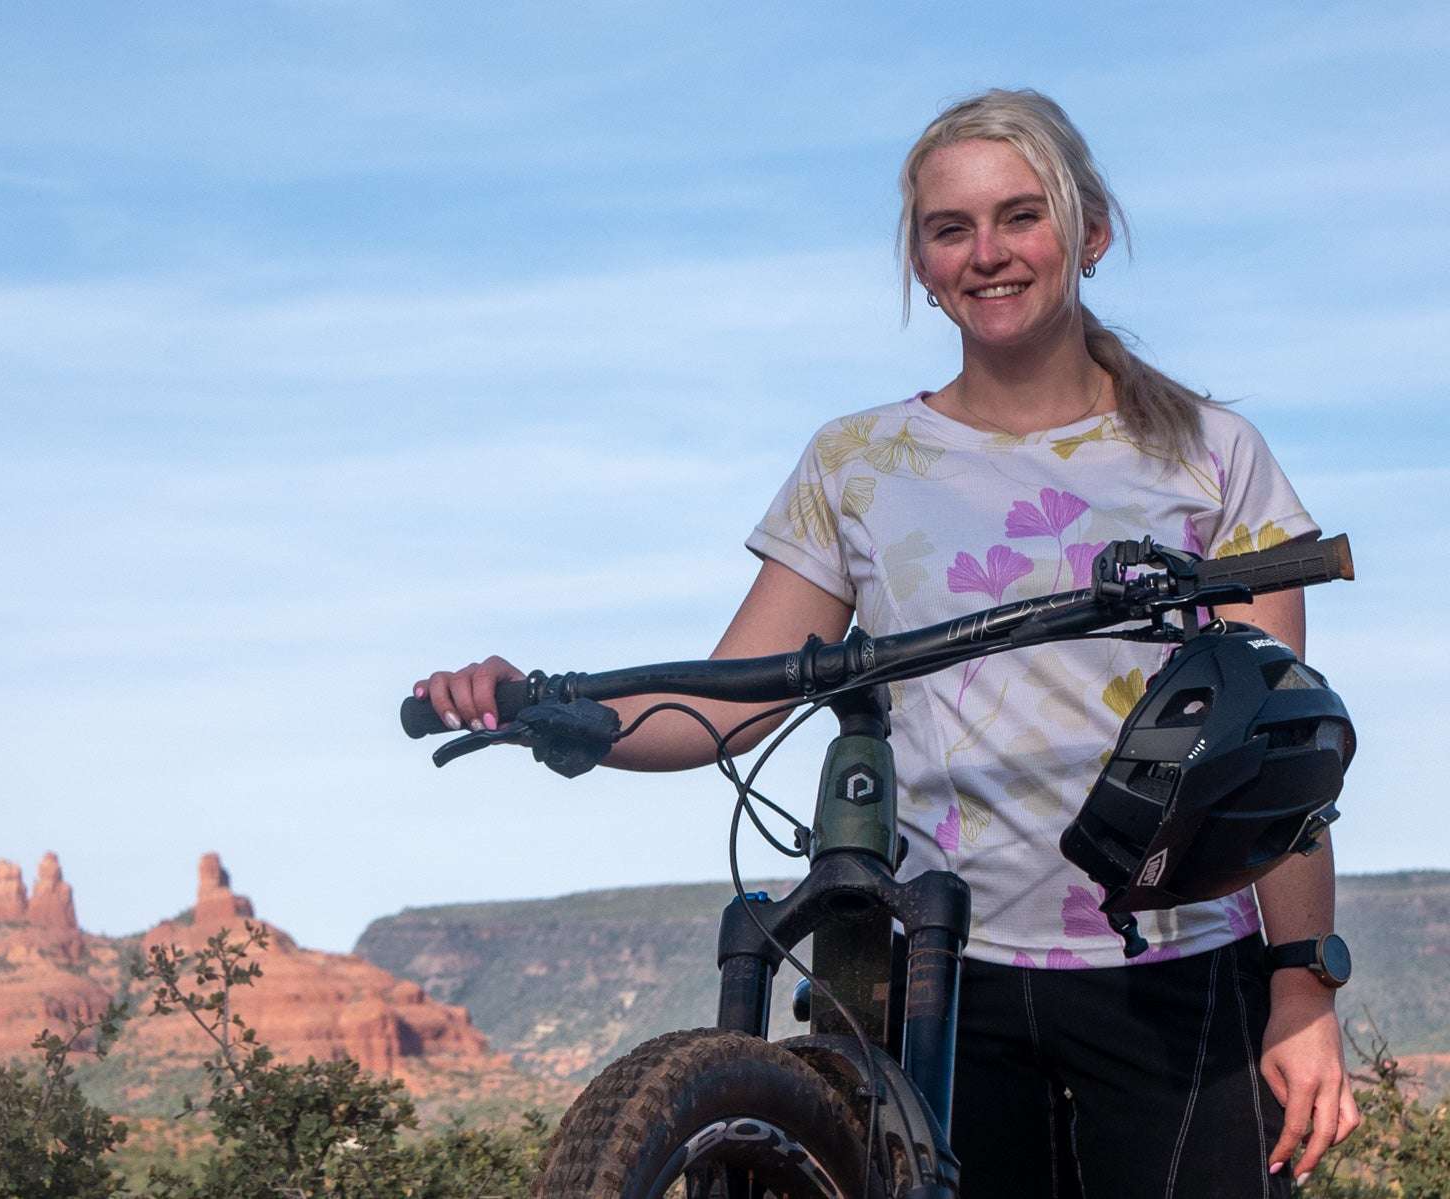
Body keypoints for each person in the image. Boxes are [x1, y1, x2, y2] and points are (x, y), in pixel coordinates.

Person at [415, 88, 1358, 1197]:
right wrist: (548, 708)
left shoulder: (1208, 452)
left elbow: (1276, 759)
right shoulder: (858, 462)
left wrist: (1300, 986)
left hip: (1174, 964)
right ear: (918, 260)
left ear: (1088, 231)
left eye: (1020, 216)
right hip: (936, 974)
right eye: (947, 228)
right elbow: (736, 697)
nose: (985, 253)